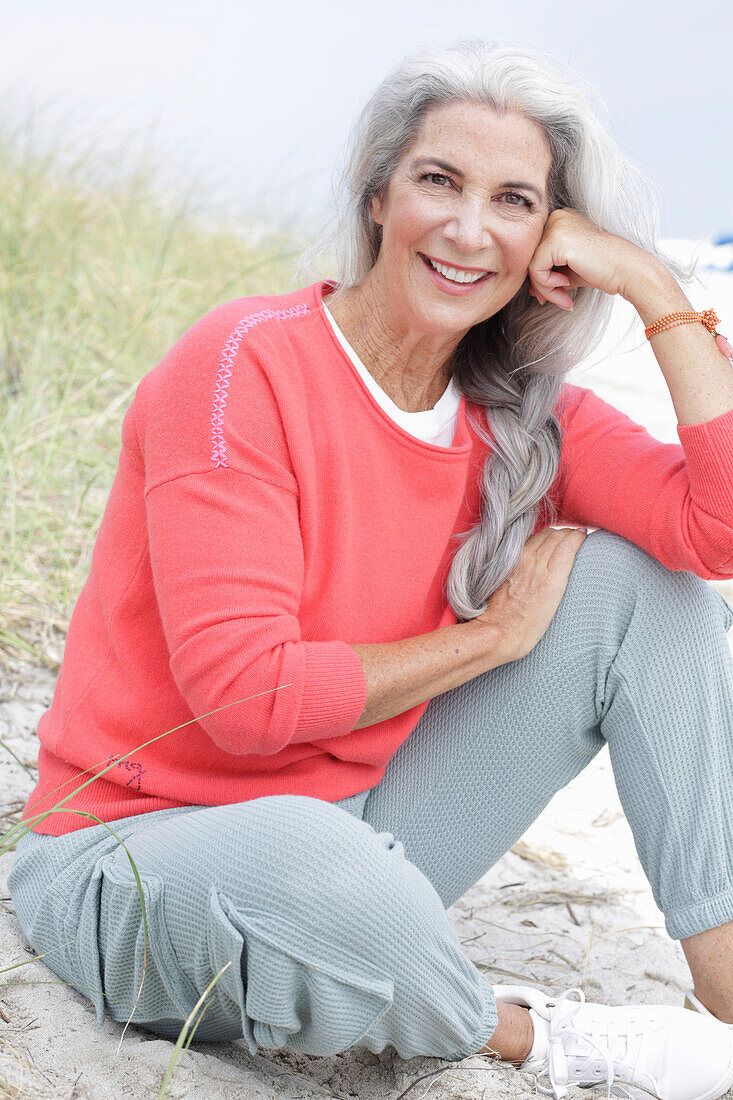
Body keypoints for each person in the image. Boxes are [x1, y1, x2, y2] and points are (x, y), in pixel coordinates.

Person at [6, 37, 733, 1099]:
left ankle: (722, 969)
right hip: (132, 857)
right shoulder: (243, 362)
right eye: (439, 180)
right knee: (327, 871)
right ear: (379, 193)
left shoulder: (523, 417)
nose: (468, 227)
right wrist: (488, 639)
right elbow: (249, 697)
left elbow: (712, 530)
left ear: (548, 240)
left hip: (358, 830)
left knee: (649, 590)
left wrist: (649, 282)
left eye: (513, 200)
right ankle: (530, 1035)